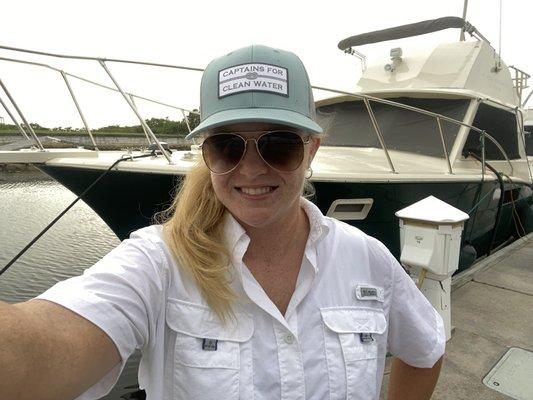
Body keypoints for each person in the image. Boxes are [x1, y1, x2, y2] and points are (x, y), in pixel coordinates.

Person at [0, 44, 444, 400]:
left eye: (279, 145)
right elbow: (40, 349)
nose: (250, 170)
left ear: (311, 150)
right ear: (206, 155)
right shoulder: (158, 261)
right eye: (227, 147)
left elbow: (425, 350)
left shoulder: (365, 256)